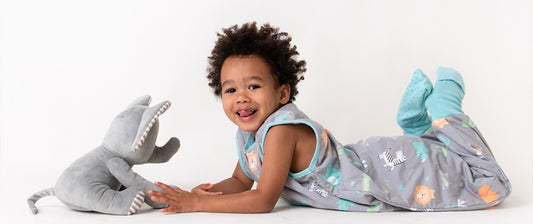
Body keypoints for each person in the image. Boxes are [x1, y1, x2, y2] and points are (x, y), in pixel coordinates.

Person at [148, 22, 511, 213]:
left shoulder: (281, 131)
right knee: (433, 154)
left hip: (384, 170)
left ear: (282, 94)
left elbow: (262, 200)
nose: (241, 97)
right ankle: (415, 125)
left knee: (485, 180)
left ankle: (447, 102)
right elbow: (241, 182)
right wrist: (205, 191)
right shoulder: (249, 136)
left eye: (254, 86)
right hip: (372, 158)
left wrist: (197, 205)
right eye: (230, 90)